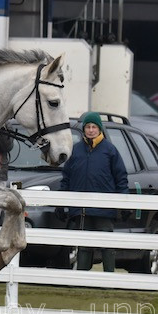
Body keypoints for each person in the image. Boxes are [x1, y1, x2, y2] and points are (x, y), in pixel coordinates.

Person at [59, 111, 128, 272]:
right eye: (88, 127)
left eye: (94, 127)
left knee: (106, 246)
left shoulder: (110, 150)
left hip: (104, 210)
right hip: (81, 210)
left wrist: (124, 203)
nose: (90, 130)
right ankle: (82, 280)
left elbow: (121, 178)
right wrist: (61, 203)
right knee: (84, 246)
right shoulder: (75, 151)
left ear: (100, 129)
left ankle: (108, 279)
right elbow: (66, 178)